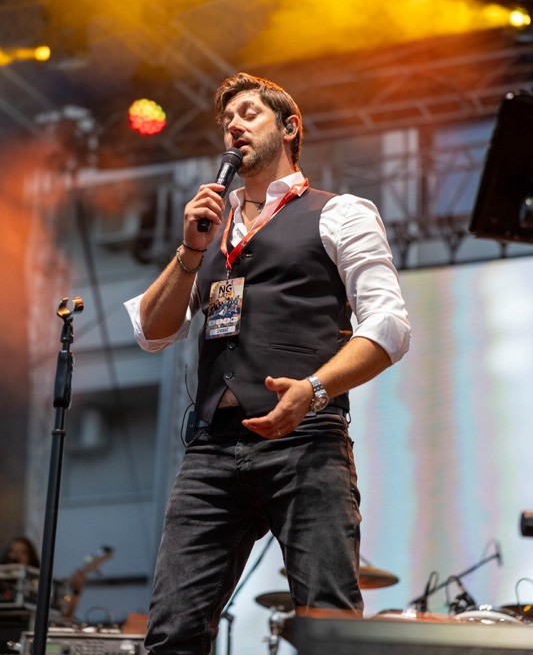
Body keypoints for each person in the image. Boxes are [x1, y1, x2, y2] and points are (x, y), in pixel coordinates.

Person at [124, 72, 411, 655]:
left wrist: (314, 389)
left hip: (307, 440)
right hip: (211, 448)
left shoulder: (340, 213)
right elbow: (152, 333)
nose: (234, 125)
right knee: (173, 632)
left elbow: (389, 326)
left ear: (290, 127)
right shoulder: (210, 230)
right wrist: (190, 250)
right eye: (227, 119)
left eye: (249, 113)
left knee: (329, 624)